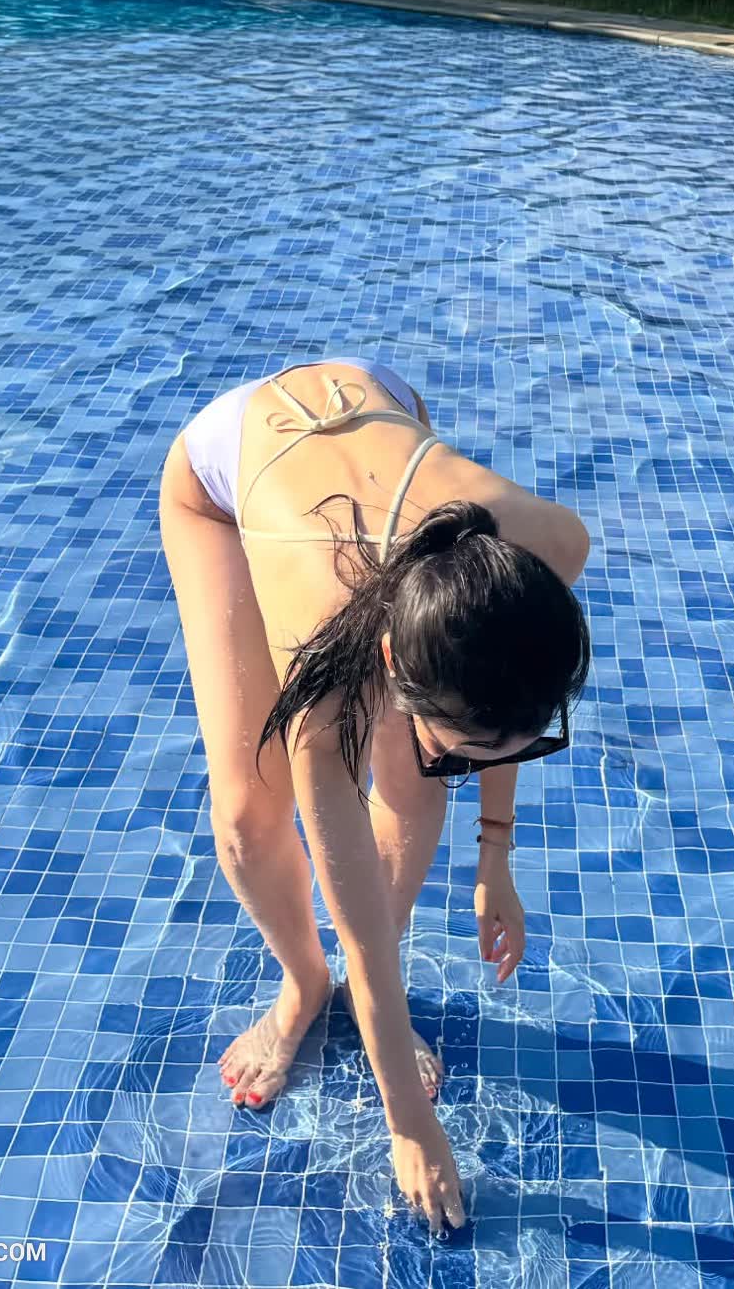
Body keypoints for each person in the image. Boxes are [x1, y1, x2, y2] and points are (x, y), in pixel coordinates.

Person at [159, 356, 593, 1234]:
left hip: (374, 401)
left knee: (416, 777)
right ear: (391, 665)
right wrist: (409, 1124)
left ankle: (374, 1007)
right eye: (460, 748)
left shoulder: (551, 544)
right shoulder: (327, 670)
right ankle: (302, 987)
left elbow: (503, 691)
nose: (474, 763)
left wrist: (496, 854)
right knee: (246, 814)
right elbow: (351, 915)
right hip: (227, 477)